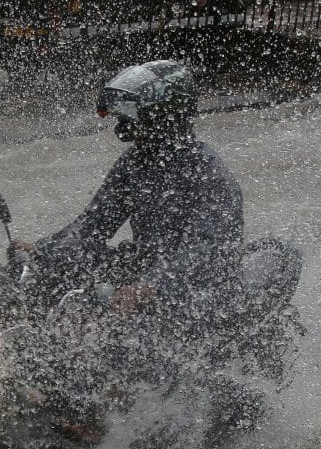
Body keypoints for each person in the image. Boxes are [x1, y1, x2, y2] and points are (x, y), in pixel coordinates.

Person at [14, 59, 244, 323]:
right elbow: (92, 225)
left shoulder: (208, 174)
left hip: (197, 292)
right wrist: (44, 253)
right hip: (147, 271)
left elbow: (206, 251)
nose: (123, 131)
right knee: (68, 272)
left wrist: (150, 285)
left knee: (134, 342)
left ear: (164, 119)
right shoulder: (135, 163)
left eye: (132, 120)